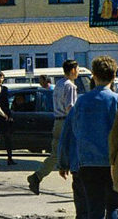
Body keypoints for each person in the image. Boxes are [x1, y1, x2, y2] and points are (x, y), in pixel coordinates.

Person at [61, 56, 118, 219]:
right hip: (112, 164)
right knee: (114, 209)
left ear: (93, 76)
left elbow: (71, 132)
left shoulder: (81, 103)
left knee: (95, 214)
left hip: (87, 164)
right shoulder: (116, 100)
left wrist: (66, 161)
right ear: (114, 76)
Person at [29, 60, 81, 194]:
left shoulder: (59, 83)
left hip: (57, 121)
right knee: (76, 151)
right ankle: (81, 185)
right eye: (78, 69)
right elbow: (70, 107)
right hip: (66, 122)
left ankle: (37, 177)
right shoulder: (70, 86)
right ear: (73, 70)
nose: (79, 71)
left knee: (56, 154)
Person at [0, 71, 15, 166]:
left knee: (7, 137)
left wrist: (9, 116)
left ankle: (10, 158)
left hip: (4, 116)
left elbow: (7, 104)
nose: (1, 80)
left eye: (2, 78)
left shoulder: (5, 89)